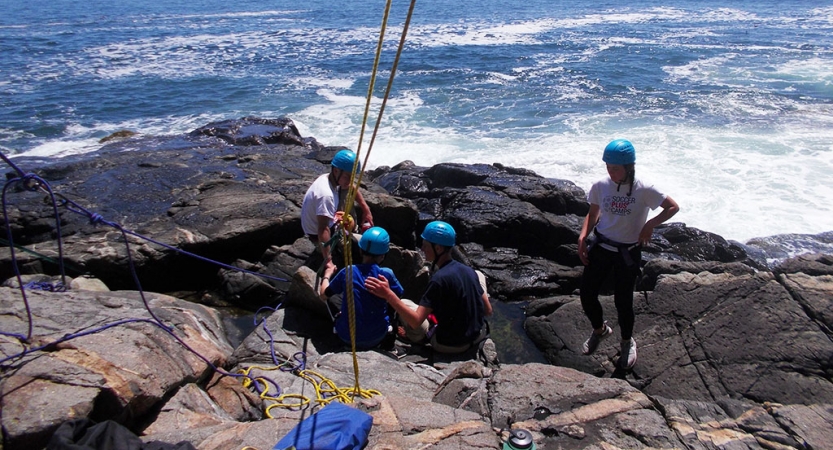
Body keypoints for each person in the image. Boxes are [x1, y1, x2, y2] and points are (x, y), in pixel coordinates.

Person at [577, 139, 680, 370]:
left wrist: (650, 224)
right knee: (586, 294)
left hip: (628, 252)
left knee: (623, 302)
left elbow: (672, 207)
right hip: (602, 246)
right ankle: (600, 331)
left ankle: (626, 342)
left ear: (628, 167)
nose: (610, 172)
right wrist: (583, 237)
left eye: (615, 168)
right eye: (608, 167)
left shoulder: (644, 188)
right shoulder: (600, 185)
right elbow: (592, 214)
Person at [366, 221, 493, 354]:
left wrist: (388, 294)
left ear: (438, 249)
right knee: (478, 275)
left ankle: (416, 337)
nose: (422, 248)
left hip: (448, 345)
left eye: (425, 245)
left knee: (404, 303)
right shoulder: (468, 270)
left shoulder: (439, 279)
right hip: (477, 336)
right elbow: (488, 311)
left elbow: (416, 321)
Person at [319, 227, 403, 350]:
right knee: (393, 306)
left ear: (360, 251)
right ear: (383, 256)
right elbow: (399, 295)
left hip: (347, 338)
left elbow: (323, 295)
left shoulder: (348, 271)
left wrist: (327, 275)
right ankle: (390, 345)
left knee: (334, 298)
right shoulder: (386, 274)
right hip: (377, 337)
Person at [301, 149, 373, 267]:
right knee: (365, 246)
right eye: (347, 176)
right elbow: (323, 229)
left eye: (352, 177)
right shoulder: (326, 195)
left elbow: (351, 187)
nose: (350, 181)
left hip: (324, 224)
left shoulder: (329, 178)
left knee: (345, 190)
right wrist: (328, 261)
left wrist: (366, 209)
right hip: (317, 236)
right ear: (335, 171)